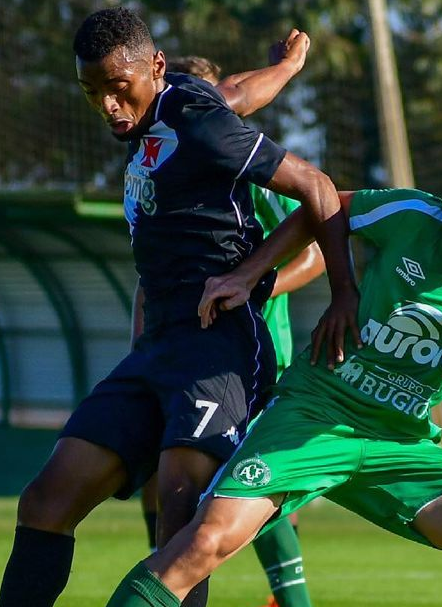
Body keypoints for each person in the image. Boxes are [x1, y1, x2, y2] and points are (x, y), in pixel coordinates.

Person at [100, 122, 442, 607]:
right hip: (313, 413)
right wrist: (253, 274)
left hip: (400, 442)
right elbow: (321, 207)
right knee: (204, 542)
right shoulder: (414, 215)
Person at [0, 7, 357, 607]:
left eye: (118, 86)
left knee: (179, 518)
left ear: (154, 67)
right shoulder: (176, 103)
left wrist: (340, 292)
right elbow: (237, 91)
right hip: (158, 347)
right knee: (44, 502)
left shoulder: (195, 123)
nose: (108, 104)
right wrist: (287, 67)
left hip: (218, 345)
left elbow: (318, 188)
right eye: (92, 91)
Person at [135, 50, 325, 607]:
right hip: (182, 350)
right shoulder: (160, 159)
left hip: (252, 347)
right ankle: (164, 575)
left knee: (248, 478)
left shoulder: (247, 171)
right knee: (176, 481)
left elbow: (311, 251)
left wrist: (251, 284)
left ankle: (291, 601)